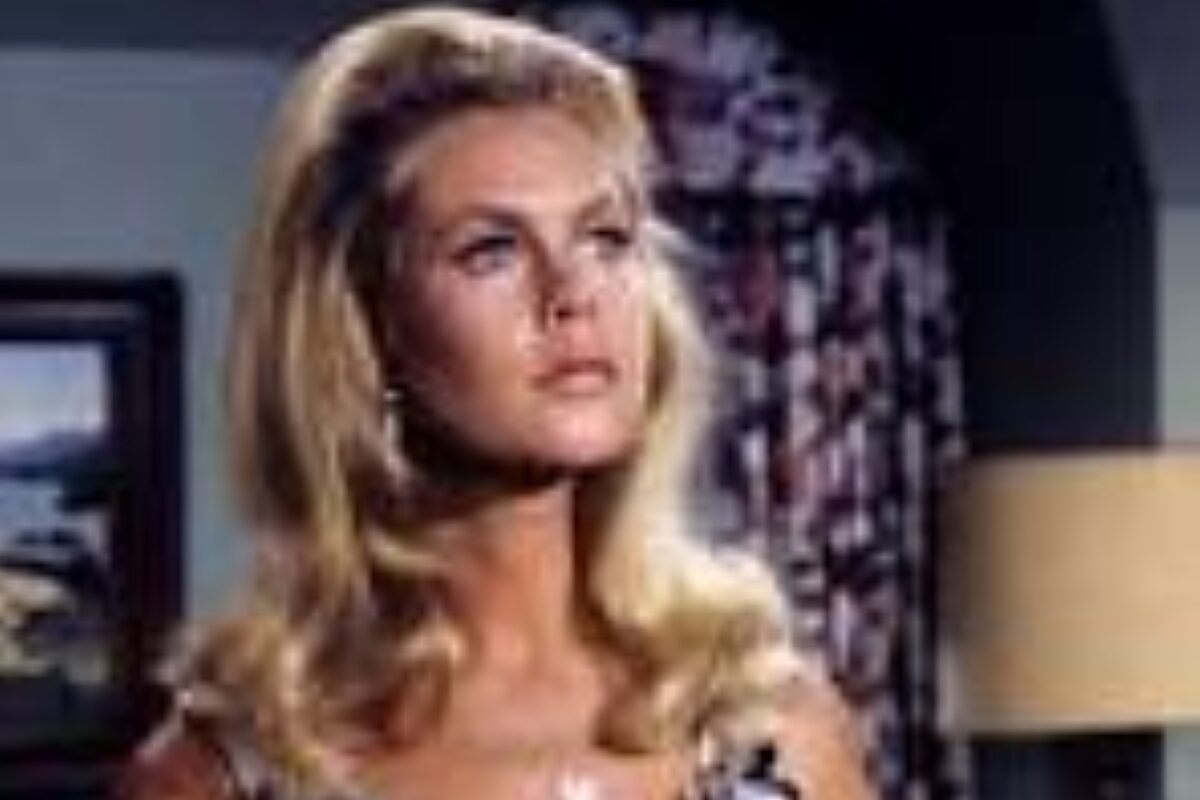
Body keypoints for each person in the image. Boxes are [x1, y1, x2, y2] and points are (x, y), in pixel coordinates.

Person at [120, 6, 875, 800]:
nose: (573, 294)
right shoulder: (224, 771)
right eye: (492, 250)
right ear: (369, 326)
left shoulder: (770, 724)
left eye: (606, 239)